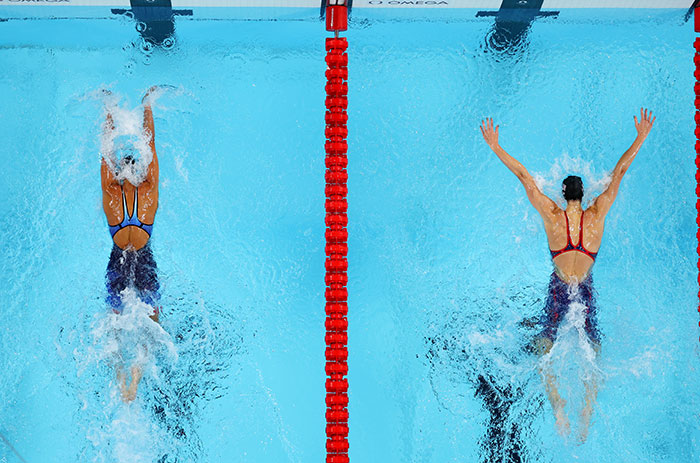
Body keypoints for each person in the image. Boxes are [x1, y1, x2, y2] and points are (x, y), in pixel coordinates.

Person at [479, 108, 655, 442]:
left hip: (559, 290)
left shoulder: (552, 215)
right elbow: (620, 172)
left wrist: (496, 147)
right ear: (584, 194)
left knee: (545, 346)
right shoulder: (599, 212)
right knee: (595, 349)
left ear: (562, 195)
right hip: (584, 291)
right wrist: (640, 137)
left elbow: (525, 178)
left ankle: (558, 408)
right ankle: (587, 410)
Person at [101, 87, 161, 402]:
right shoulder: (148, 193)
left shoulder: (112, 195)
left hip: (116, 258)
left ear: (119, 174)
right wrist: (147, 106)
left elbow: (105, 153)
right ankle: (136, 375)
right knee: (152, 317)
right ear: (138, 172)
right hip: (144, 257)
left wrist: (108, 110)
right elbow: (152, 146)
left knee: (114, 318)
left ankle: (119, 372)